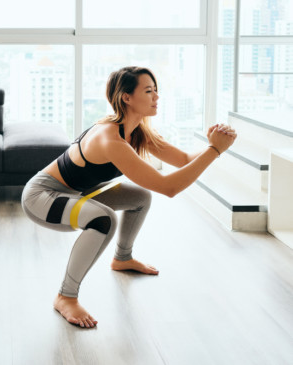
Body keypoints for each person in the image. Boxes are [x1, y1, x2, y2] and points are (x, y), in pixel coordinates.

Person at [21, 66, 237, 328]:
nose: (156, 96)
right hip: (43, 197)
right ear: (126, 97)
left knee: (139, 197)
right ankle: (65, 296)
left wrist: (212, 144)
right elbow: (169, 188)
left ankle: (122, 258)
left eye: (156, 90)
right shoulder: (110, 138)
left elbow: (182, 160)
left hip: (76, 195)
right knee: (104, 219)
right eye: (149, 91)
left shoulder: (136, 132)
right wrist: (215, 150)